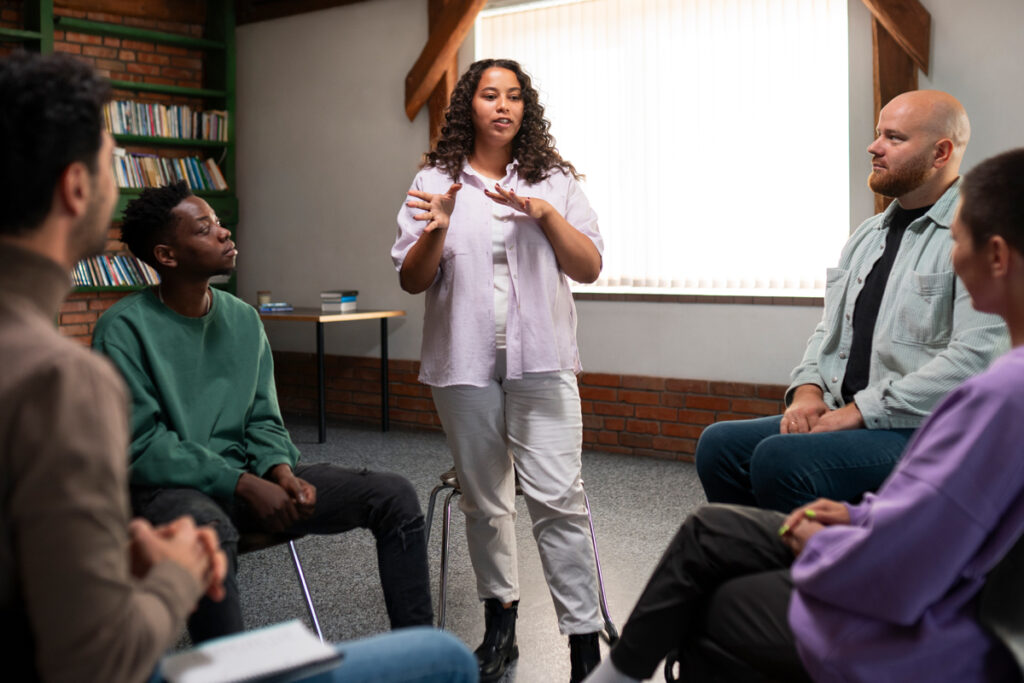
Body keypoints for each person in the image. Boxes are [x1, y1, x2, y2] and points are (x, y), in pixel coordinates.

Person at [584, 147, 1024, 683]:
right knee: (712, 515)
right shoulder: (868, 237)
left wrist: (830, 542)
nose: (953, 256)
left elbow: (910, 562)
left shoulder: (1000, 394)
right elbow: (929, 513)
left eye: (959, 242)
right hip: (890, 541)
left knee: (715, 595)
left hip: (922, 616)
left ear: (997, 255)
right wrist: (812, 402)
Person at [92, 181, 435, 644]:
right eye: (205, 228)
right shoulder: (122, 328)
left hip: (249, 481)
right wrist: (242, 483)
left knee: (393, 494)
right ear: (167, 256)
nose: (224, 232)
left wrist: (279, 472)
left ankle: (419, 656)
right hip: (165, 495)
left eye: (218, 222)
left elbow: (263, 417)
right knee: (207, 530)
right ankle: (229, 672)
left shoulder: (243, 318)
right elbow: (141, 446)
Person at [392, 58, 605, 682]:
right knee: (486, 503)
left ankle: (584, 643)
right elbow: (412, 278)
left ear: (526, 108)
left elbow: (588, 267)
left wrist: (544, 214)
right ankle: (500, 624)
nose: (503, 106)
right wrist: (437, 228)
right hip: (464, 365)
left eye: (514, 96)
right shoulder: (435, 179)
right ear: (470, 106)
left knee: (560, 501)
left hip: (543, 364)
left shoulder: (555, 180)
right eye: (490, 95)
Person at [696, 89, 1009, 512]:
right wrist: (807, 392)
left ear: (941, 152)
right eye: (878, 134)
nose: (874, 147)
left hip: (923, 427)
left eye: (894, 138)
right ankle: (762, 566)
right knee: (720, 445)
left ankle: (817, 572)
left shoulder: (972, 238)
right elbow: (829, 331)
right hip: (851, 412)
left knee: (780, 458)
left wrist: (859, 411)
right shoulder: (867, 236)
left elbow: (974, 361)